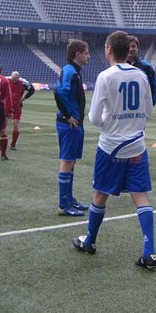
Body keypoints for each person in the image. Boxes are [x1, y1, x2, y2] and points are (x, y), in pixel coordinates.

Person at [72, 31, 156, 269]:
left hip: (110, 147)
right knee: (140, 195)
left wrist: (113, 117)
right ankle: (149, 252)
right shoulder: (141, 75)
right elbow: (149, 113)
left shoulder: (105, 77)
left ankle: (90, 241)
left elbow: (95, 119)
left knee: (100, 194)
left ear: (108, 49)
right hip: (137, 145)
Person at [55, 40, 90, 217]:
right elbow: (59, 92)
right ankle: (63, 204)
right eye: (86, 53)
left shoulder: (74, 71)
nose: (88, 56)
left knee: (72, 162)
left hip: (76, 123)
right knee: (67, 161)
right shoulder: (69, 70)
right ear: (77, 54)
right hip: (69, 124)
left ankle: (69, 199)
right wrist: (68, 116)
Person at [127, 35, 156, 105]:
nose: (130, 49)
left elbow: (155, 86)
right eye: (128, 47)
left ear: (137, 48)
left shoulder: (146, 67)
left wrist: (150, 104)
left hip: (141, 110)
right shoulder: (119, 67)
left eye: (133, 46)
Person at [7, 71, 36, 150]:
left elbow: (32, 90)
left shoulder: (24, 83)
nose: (13, 81)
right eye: (13, 79)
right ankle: (2, 143)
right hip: (7, 106)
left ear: (18, 78)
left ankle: (13, 144)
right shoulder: (6, 79)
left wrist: (23, 99)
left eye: (15, 80)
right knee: (3, 125)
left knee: (15, 124)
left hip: (17, 106)